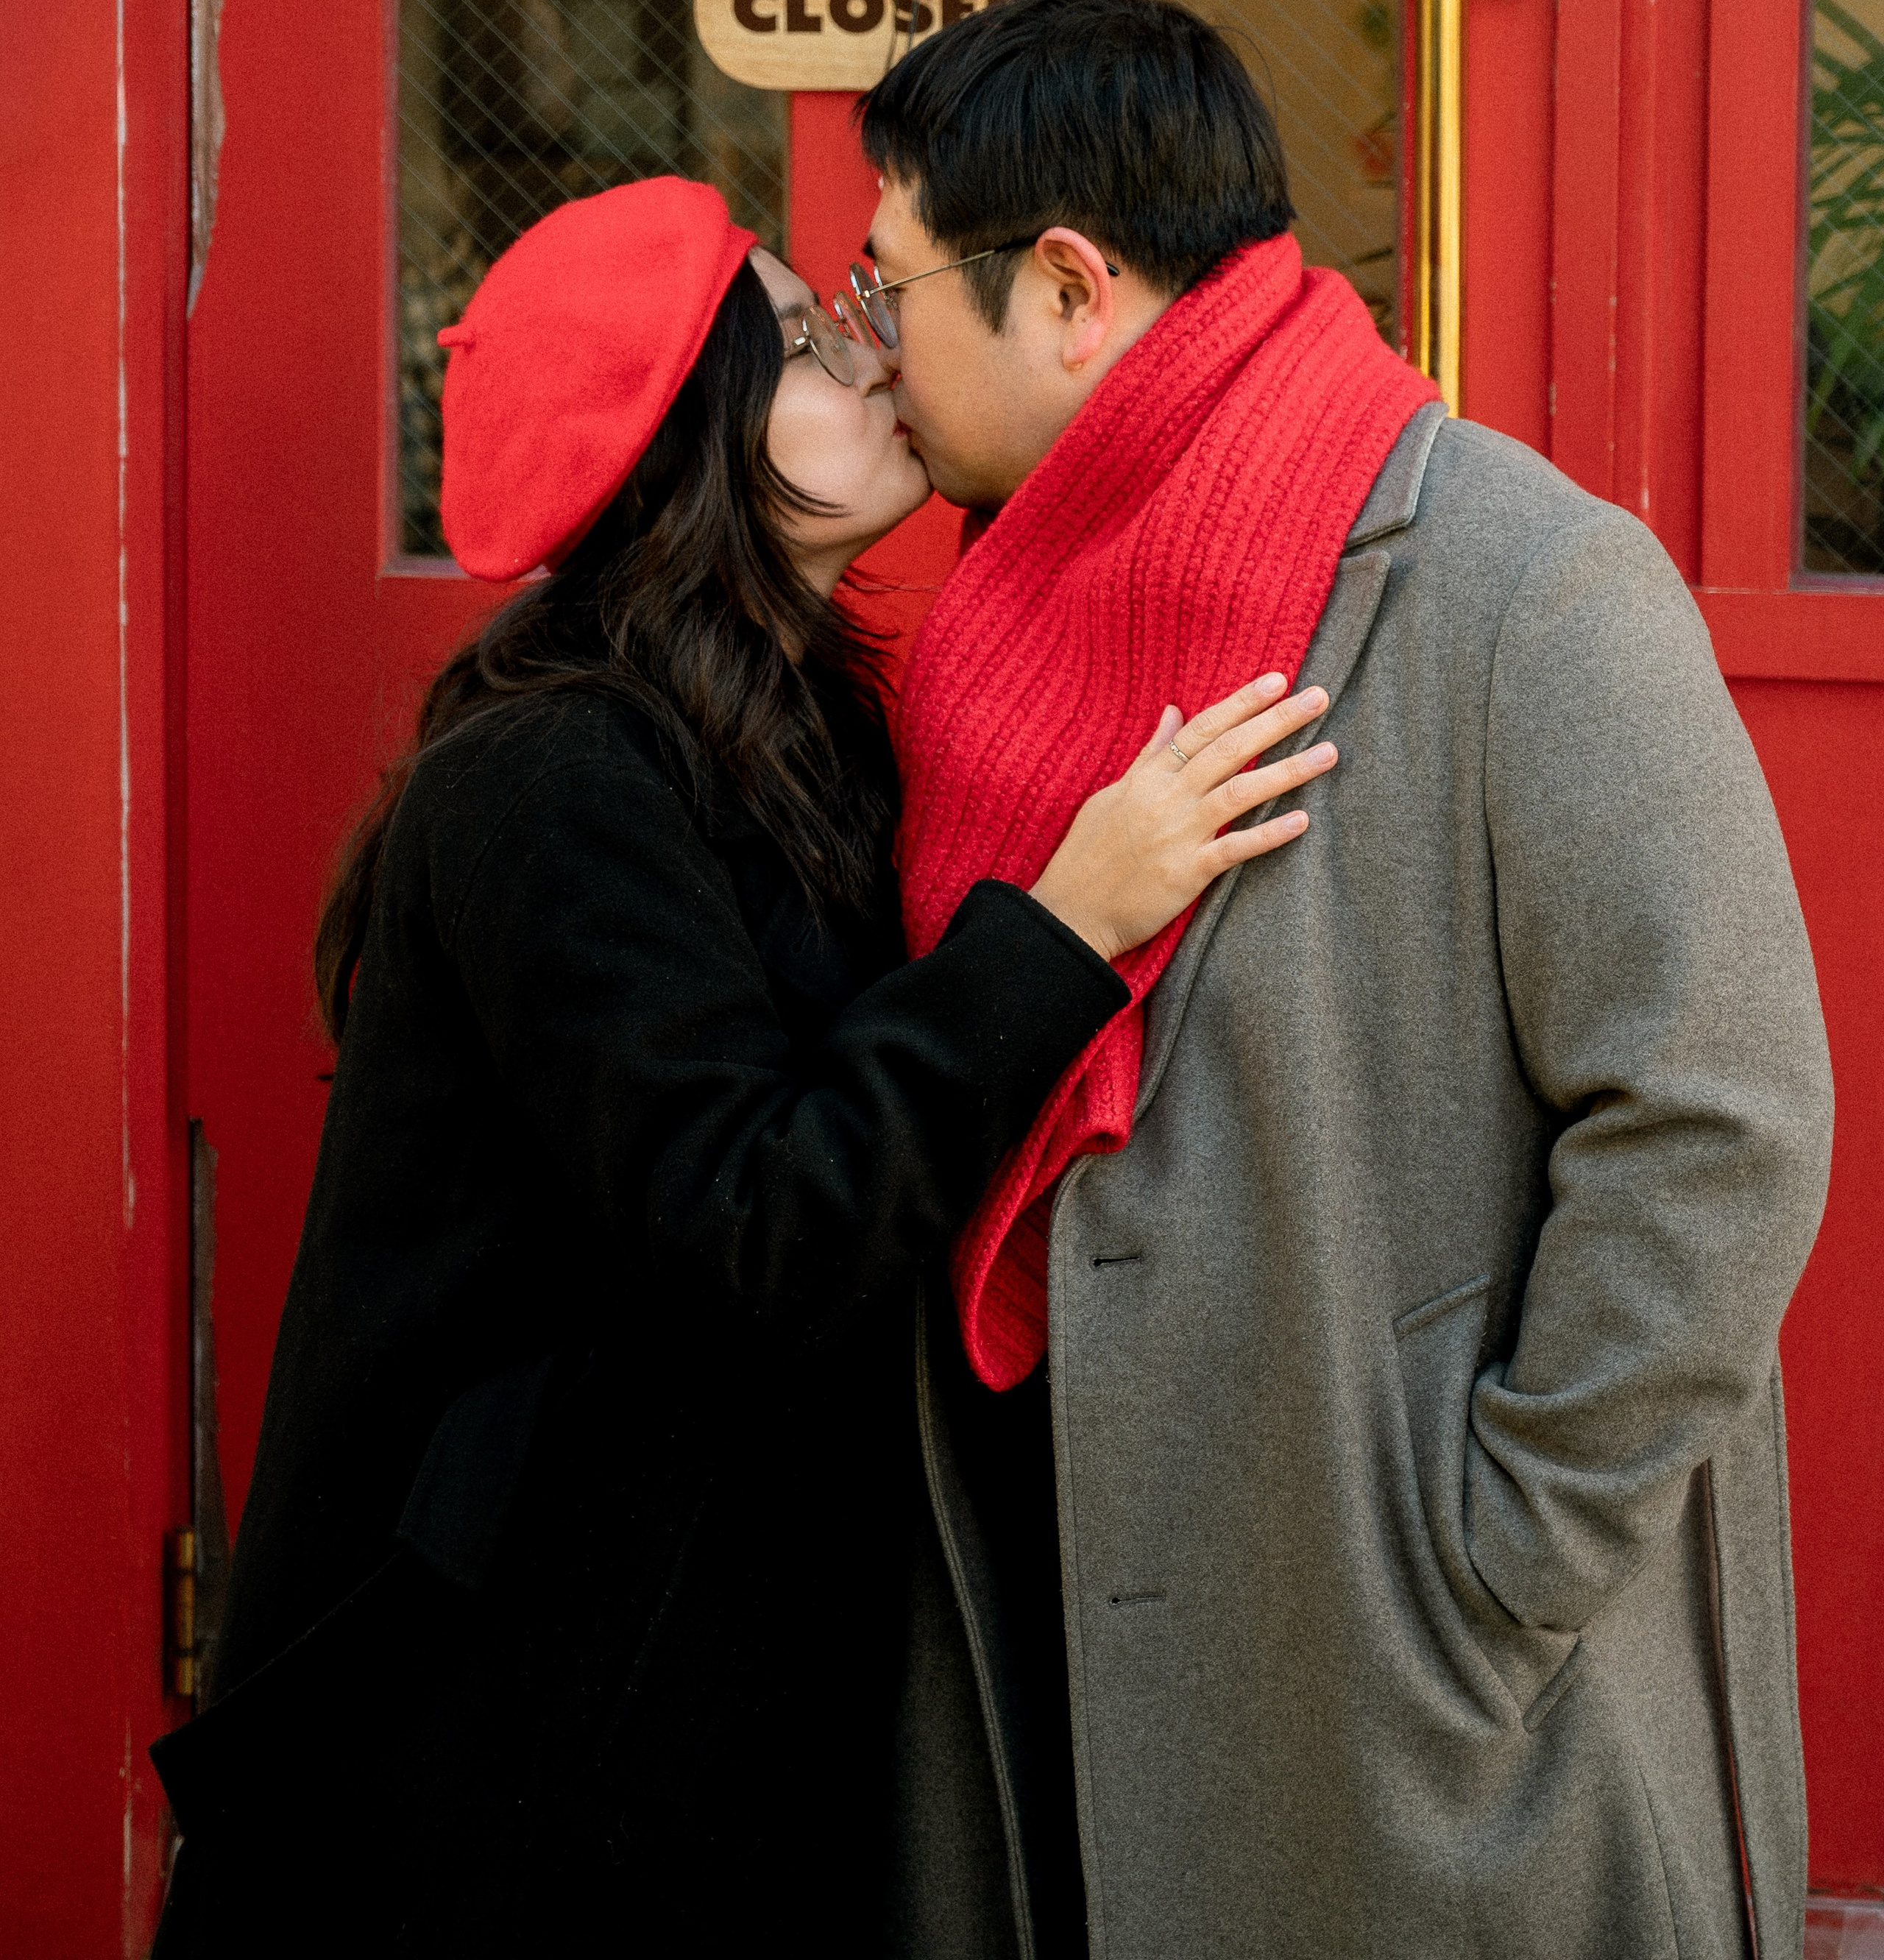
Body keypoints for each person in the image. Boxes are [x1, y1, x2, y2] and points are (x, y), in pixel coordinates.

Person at [146, 174, 1335, 1957]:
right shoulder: (548, 779)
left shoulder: (805, 725)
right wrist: (1065, 918)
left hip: (682, 1670)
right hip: (505, 1735)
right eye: (794, 339)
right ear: (678, 442)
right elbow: (755, 1216)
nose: (866, 357)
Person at [851, 0, 1835, 1960]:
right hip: (1057, 1610)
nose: (870, 358)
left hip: (1405, 1705)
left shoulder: (1518, 579)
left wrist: (1488, 1568)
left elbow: (1723, 1122)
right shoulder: (1001, 615)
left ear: (1066, 289)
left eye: (888, 295)